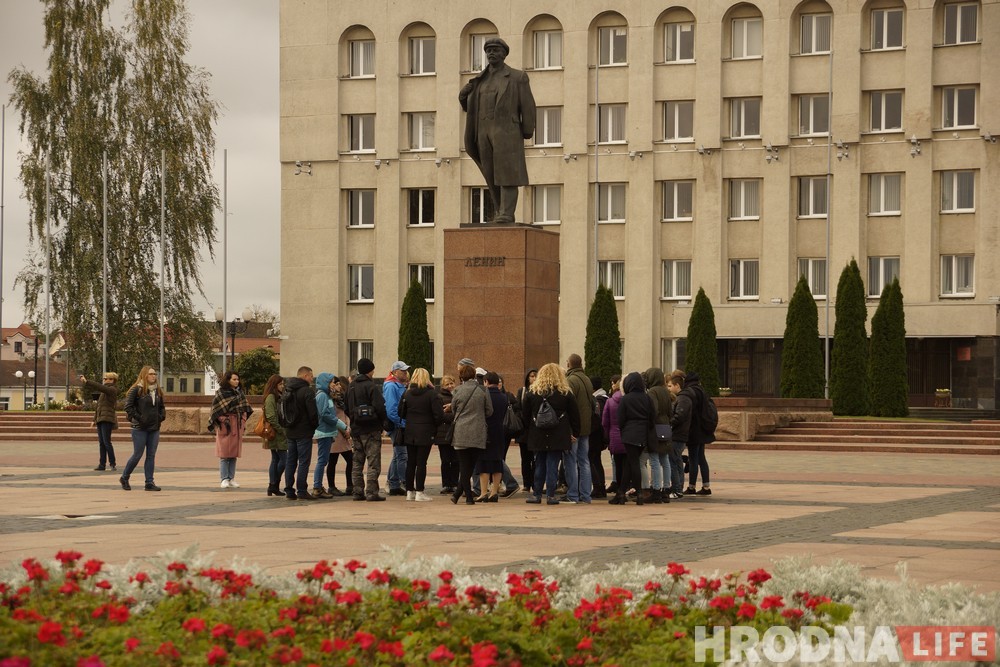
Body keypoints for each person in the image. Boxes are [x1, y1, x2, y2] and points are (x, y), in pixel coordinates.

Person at [458, 37, 536, 224]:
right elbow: (472, 107)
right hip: (482, 133)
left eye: (495, 49)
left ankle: (507, 213)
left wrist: (527, 130)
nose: (491, 53)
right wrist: (462, 96)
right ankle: (500, 211)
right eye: (488, 50)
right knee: (491, 175)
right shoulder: (479, 81)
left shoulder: (517, 77)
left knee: (507, 174)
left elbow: (528, 105)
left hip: (507, 133)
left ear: (504, 53)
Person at [522, 363, 580, 505]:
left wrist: (529, 432)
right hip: (558, 434)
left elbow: (525, 416)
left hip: (538, 433)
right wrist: (575, 433)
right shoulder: (565, 393)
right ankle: (550, 495)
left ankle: (536, 494)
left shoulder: (532, 393)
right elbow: (575, 416)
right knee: (553, 464)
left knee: (539, 464)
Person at [449, 363, 493, 504]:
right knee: (471, 465)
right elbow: (489, 411)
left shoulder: (457, 391)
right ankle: (466, 496)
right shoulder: (482, 390)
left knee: (464, 465)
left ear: (461, 376)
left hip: (461, 431)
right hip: (477, 432)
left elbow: (454, 410)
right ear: (474, 375)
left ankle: (461, 495)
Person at [399, 367, 444, 501]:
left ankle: (409, 491)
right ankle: (420, 491)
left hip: (410, 430)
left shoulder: (407, 394)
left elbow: (401, 412)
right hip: (426, 431)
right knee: (421, 462)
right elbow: (438, 415)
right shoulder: (431, 394)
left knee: (411, 462)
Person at [346, 358, 387, 502]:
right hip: (371, 429)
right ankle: (371, 492)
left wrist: (354, 418)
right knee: (373, 462)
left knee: (357, 462)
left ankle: (357, 492)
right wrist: (383, 423)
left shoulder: (351, 387)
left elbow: (346, 407)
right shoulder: (371, 386)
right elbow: (380, 407)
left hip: (356, 429)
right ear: (370, 371)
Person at [120, 366, 165, 492]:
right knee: (137, 454)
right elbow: (128, 407)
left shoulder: (157, 391)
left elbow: (161, 406)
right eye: (151, 374)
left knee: (151, 455)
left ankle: (149, 482)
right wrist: (140, 418)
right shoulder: (137, 389)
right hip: (139, 428)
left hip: (154, 428)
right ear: (145, 375)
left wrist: (161, 417)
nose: (154, 376)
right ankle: (125, 477)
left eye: (155, 374)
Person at [614, 372, 655, 506]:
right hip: (643, 434)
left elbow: (620, 419)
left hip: (629, 434)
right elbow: (652, 417)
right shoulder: (647, 398)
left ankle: (638, 493)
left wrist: (624, 430)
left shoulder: (626, 399)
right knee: (630, 463)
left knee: (633, 463)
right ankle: (620, 492)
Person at [209, 370, 253, 489]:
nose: (236, 381)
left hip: (237, 425)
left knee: (233, 454)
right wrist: (224, 420)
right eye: (234, 379)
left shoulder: (240, 394)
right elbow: (215, 411)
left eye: (237, 379)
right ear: (228, 380)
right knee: (224, 455)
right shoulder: (220, 393)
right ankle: (224, 479)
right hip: (225, 426)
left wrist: (242, 422)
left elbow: (245, 409)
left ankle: (231, 478)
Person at [283, 366, 320, 501]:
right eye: (311, 376)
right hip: (304, 431)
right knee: (304, 461)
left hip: (290, 430)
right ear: (305, 376)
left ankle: (289, 489)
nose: (312, 378)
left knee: (291, 461)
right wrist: (314, 425)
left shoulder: (287, 390)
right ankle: (302, 490)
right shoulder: (307, 391)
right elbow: (312, 413)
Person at [563, 354, 595, 504]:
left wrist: (570, 430)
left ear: (569, 364)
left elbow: (569, 406)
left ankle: (573, 494)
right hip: (586, 427)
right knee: (584, 461)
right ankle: (586, 495)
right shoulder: (587, 379)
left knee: (570, 460)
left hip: (574, 429)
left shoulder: (570, 380)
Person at [313, 372, 349, 498]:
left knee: (324, 460)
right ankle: (317, 487)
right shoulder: (322, 395)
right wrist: (342, 425)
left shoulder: (327, 395)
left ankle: (318, 486)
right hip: (323, 432)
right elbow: (325, 414)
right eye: (332, 382)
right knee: (322, 460)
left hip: (328, 431)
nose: (334, 385)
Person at [476, 371, 509, 502]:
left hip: (486, 432)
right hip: (499, 432)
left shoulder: (484, 395)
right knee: (497, 461)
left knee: (483, 462)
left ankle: (484, 492)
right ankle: (494, 492)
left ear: (486, 382)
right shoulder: (503, 397)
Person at [645, 367, 674, 504]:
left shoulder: (652, 392)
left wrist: (649, 423)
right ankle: (666, 490)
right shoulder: (665, 391)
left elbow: (653, 411)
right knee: (665, 460)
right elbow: (670, 411)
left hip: (655, 428)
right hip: (665, 426)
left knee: (654, 460)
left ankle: (656, 490)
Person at [79, 372, 119, 472]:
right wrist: (94, 420)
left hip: (107, 419)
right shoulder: (104, 393)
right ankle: (102, 464)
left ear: (112, 380)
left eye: (107, 379)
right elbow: (99, 407)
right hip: (101, 419)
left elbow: (101, 387)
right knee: (102, 443)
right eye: (104, 379)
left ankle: (112, 463)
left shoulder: (112, 390)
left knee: (107, 442)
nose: (105, 380)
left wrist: (87, 381)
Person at [683, 371, 712, 496]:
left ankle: (691, 487)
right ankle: (706, 487)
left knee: (693, 458)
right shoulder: (702, 391)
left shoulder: (690, 392)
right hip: (703, 428)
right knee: (701, 458)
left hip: (694, 429)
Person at [383, 360, 410, 496]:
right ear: (394, 372)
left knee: (397, 455)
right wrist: (402, 423)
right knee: (402, 455)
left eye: (406, 371)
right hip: (397, 425)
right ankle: (403, 481)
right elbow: (392, 409)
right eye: (403, 371)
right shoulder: (391, 386)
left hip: (398, 424)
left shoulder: (399, 385)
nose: (406, 373)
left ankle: (393, 483)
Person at [325, 376, 354, 496]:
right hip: (336, 433)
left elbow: (346, 413)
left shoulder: (341, 398)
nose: (339, 386)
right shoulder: (329, 399)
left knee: (351, 460)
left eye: (339, 384)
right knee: (332, 460)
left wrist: (348, 428)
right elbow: (332, 417)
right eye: (336, 384)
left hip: (344, 432)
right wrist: (344, 429)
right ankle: (331, 486)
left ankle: (350, 486)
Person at [261, 374, 288, 497]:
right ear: (274, 385)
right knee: (284, 460)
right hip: (275, 433)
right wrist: (281, 430)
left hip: (277, 432)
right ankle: (273, 485)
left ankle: (273, 486)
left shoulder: (279, 397)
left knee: (276, 459)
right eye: (280, 384)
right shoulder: (271, 397)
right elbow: (271, 416)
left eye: (283, 384)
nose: (282, 386)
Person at [666, 370, 691, 500]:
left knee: (673, 462)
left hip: (677, 435)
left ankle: (677, 489)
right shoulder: (683, 398)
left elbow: (679, 416)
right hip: (679, 434)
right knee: (677, 461)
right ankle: (678, 487)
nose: (669, 389)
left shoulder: (683, 399)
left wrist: (669, 423)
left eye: (670, 386)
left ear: (677, 385)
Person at [514, 368, 537, 496]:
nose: (533, 378)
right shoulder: (522, 391)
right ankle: (527, 484)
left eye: (535, 376)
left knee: (536, 459)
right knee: (525, 459)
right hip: (524, 430)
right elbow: (517, 408)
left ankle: (535, 483)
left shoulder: (541, 391)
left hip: (536, 429)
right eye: (531, 376)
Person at [435, 374, 459, 494]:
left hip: (456, 432)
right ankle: (446, 484)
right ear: (443, 386)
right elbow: (440, 415)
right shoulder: (439, 397)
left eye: (451, 383)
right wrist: (452, 415)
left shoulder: (458, 396)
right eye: (447, 384)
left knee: (455, 460)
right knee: (445, 460)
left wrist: (451, 411)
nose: (450, 386)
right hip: (443, 433)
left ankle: (455, 483)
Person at [602, 375, 624, 499]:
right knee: (627, 463)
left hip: (614, 436)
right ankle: (625, 488)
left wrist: (606, 436)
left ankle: (619, 488)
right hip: (628, 435)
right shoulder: (627, 399)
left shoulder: (610, 401)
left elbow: (605, 421)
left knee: (617, 462)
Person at [588, 375, 609, 499]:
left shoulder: (598, 400)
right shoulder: (604, 398)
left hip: (595, 435)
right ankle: (601, 486)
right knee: (596, 461)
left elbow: (596, 419)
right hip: (600, 434)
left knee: (592, 460)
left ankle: (598, 487)